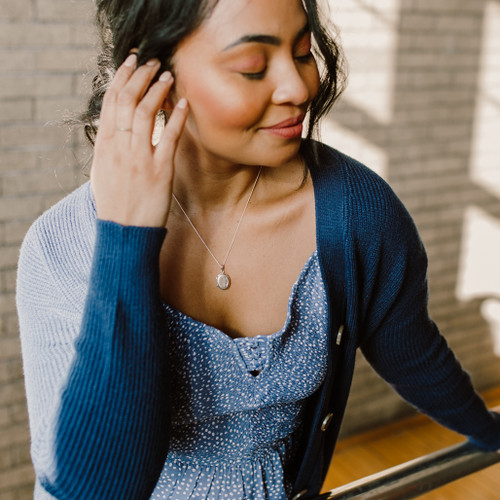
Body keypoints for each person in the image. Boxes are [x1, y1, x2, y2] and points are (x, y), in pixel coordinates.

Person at [16, 0, 500, 499]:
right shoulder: (61, 249)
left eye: (303, 51)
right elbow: (94, 489)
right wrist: (127, 238)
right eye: (252, 67)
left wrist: (490, 432)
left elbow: (412, 353)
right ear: (152, 77)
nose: (298, 88)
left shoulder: (358, 213)